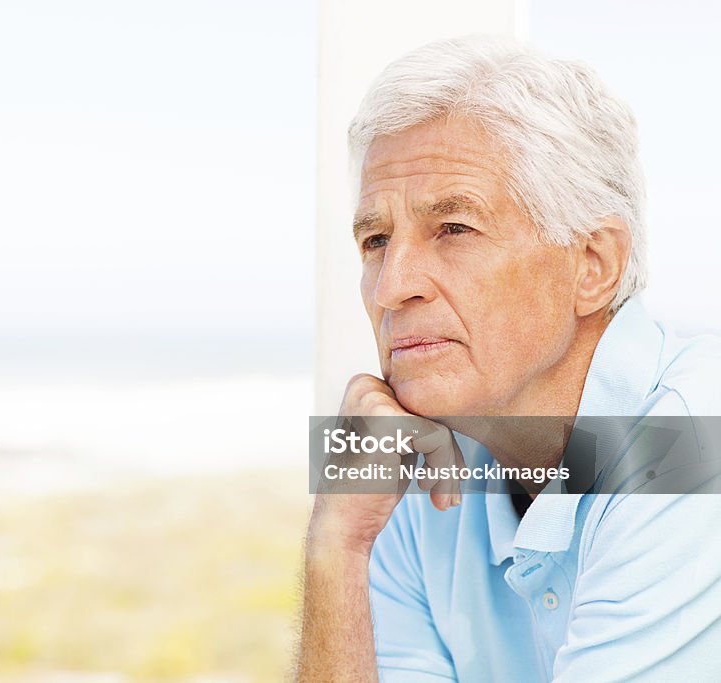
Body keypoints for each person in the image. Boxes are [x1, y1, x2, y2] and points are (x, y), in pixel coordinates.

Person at [295, 36, 721, 682]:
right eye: (376, 240)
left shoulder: (693, 441)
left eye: (454, 228)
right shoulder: (411, 476)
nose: (391, 287)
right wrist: (337, 543)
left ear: (593, 265)